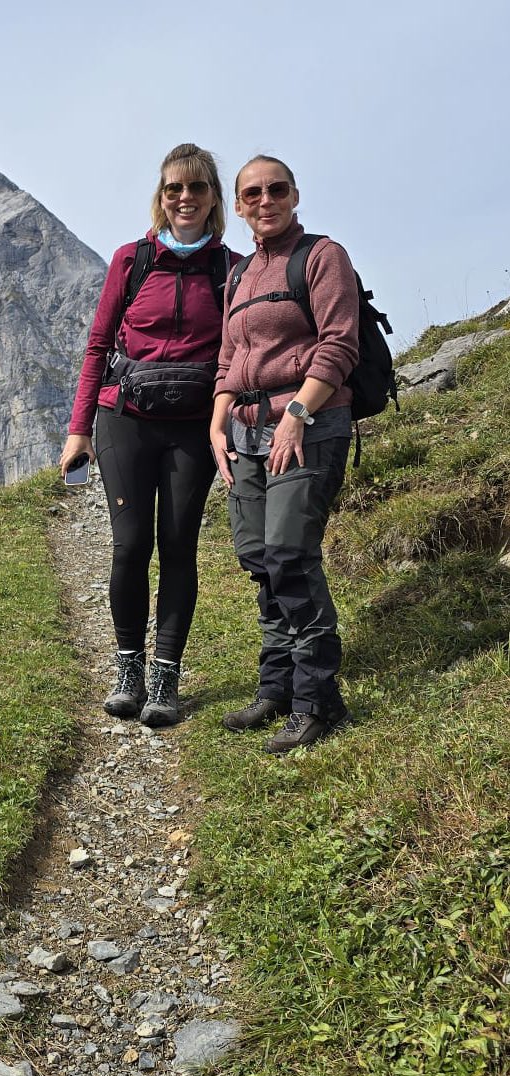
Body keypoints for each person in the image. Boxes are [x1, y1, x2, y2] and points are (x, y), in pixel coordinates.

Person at [59, 143, 240, 726]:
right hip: (125, 420)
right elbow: (98, 345)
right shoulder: (130, 260)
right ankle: (129, 669)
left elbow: (239, 352)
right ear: (161, 199)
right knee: (132, 544)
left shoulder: (229, 269)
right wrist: (78, 429)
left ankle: (166, 677)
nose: (184, 198)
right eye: (173, 189)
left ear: (214, 199)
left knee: (180, 544)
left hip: (192, 426)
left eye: (196, 188)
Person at [210, 154, 360, 752]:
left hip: (309, 424)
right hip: (244, 434)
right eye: (252, 194)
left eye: (276, 189)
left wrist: (298, 414)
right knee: (257, 555)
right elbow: (227, 360)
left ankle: (317, 699)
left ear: (294, 195)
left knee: (290, 555)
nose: (265, 200)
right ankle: (276, 686)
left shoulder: (322, 257)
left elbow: (339, 345)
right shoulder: (239, 275)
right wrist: (218, 423)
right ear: (240, 206)